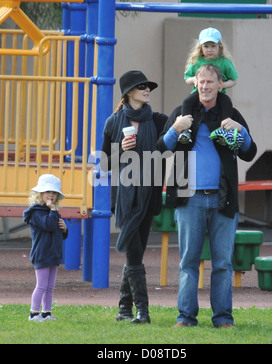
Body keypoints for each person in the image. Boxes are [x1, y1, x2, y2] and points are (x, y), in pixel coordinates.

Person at [157, 64, 257, 328]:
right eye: (201, 82)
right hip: (189, 199)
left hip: (223, 199)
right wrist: (175, 129)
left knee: (223, 263)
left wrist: (241, 131)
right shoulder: (181, 113)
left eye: (210, 82)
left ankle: (223, 318)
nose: (205, 87)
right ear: (195, 84)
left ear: (220, 84)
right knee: (189, 261)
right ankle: (185, 317)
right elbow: (160, 149)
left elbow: (249, 151)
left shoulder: (231, 114)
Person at [100, 70, 168, 324]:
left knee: (135, 254)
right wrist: (120, 149)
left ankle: (124, 309)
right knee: (134, 251)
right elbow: (105, 164)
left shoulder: (160, 120)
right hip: (125, 198)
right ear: (129, 93)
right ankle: (143, 311)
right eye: (142, 87)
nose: (147, 90)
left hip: (149, 194)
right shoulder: (113, 122)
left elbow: (171, 144)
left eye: (148, 86)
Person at [23, 174, 68, 322]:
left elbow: (59, 235)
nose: (51, 195)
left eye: (54, 192)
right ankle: (33, 313)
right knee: (41, 286)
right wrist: (53, 211)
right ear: (40, 193)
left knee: (50, 287)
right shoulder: (35, 212)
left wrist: (64, 229)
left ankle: (46, 313)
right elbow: (48, 226)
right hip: (42, 254)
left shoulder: (53, 212)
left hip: (53, 254)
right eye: (48, 191)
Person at [181, 27, 238, 141]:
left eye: (213, 46)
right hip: (199, 93)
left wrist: (222, 85)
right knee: (187, 101)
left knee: (227, 102)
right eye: (206, 46)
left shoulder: (224, 62)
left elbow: (234, 80)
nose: (209, 50)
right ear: (201, 47)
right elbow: (187, 78)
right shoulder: (197, 61)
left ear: (219, 46)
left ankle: (226, 131)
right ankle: (185, 130)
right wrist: (193, 80)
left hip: (218, 94)